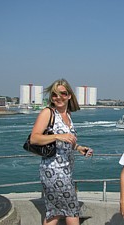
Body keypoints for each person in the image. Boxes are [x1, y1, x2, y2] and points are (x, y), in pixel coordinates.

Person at [30, 78, 93, 225]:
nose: (58, 97)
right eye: (54, 94)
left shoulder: (68, 115)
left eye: (63, 94)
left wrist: (78, 148)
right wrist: (58, 135)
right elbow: (34, 138)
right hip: (53, 171)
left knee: (55, 214)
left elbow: (65, 142)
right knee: (72, 210)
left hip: (66, 170)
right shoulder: (48, 112)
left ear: (69, 95)